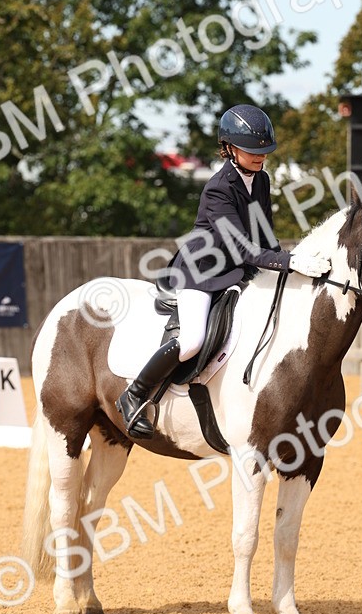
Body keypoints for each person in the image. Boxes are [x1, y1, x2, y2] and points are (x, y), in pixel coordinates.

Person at [115, 104, 331, 439]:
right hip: (202, 272)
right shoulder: (218, 188)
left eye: (265, 151)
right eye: (252, 151)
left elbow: (263, 235)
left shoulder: (261, 180)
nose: (261, 157)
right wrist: (289, 262)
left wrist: (292, 259)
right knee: (192, 340)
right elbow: (241, 247)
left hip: (238, 271)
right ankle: (134, 395)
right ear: (229, 148)